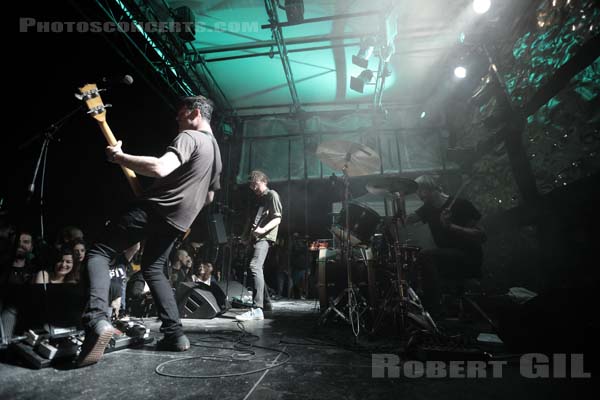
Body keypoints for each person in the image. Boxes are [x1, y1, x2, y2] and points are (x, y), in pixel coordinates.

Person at [77, 95, 222, 367]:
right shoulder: (216, 153)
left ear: (194, 113)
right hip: (178, 222)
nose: (177, 118)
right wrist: (183, 212)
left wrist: (120, 157)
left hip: (155, 210)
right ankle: (175, 334)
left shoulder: (190, 137)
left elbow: (160, 167)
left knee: (98, 253)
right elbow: (209, 198)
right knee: (154, 269)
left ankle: (96, 321)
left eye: (180, 113)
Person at [405, 175, 486, 316]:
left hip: (468, 257)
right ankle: (419, 308)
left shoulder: (461, 204)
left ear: (431, 188)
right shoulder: (427, 208)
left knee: (425, 255)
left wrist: (451, 227)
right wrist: (398, 197)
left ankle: (435, 310)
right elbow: (407, 221)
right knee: (414, 260)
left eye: (420, 191)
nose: (418, 195)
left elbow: (482, 235)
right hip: (448, 258)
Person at [236, 170, 282, 321]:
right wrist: (245, 237)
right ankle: (266, 303)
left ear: (263, 181)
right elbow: (254, 220)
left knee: (254, 266)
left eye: (254, 184)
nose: (252, 188)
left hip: (265, 237)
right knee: (257, 268)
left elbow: (277, 219)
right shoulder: (260, 200)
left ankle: (257, 308)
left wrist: (262, 230)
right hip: (256, 238)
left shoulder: (272, 195)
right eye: (251, 186)